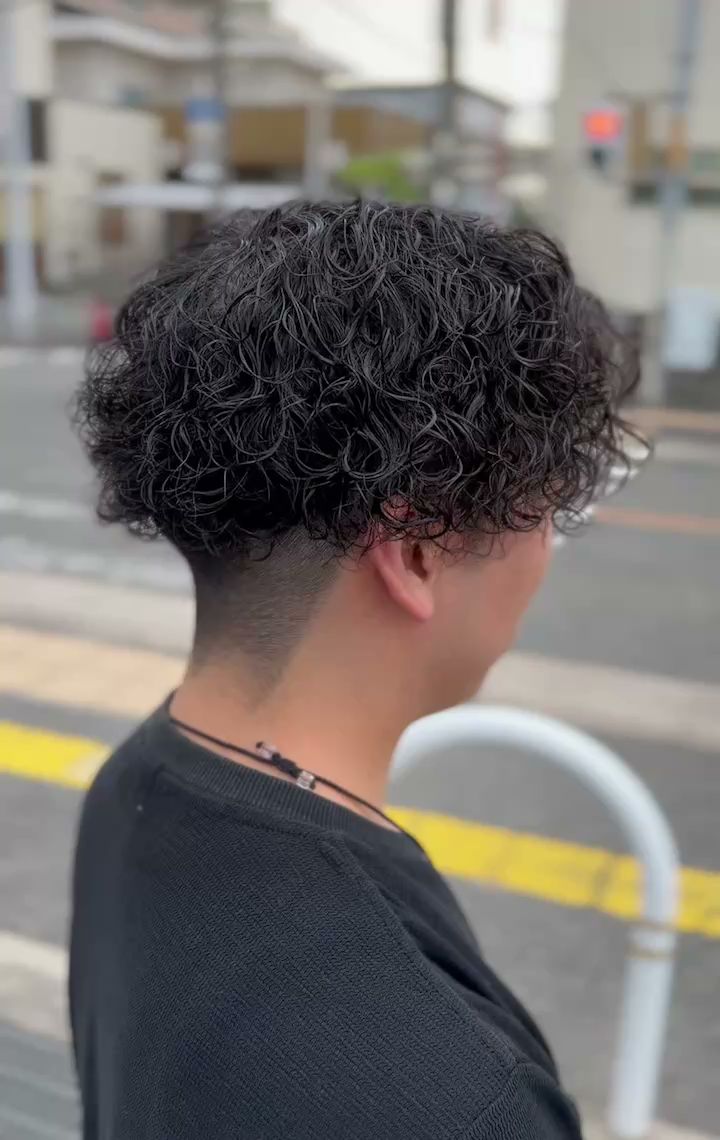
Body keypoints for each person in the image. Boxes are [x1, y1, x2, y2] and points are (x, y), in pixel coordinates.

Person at [70, 200, 638, 1139]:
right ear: (416, 553)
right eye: (549, 510)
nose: (547, 551)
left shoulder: (138, 782)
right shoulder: (459, 1100)